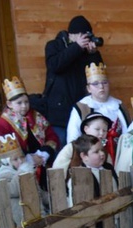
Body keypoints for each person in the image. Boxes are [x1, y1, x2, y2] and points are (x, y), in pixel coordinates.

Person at [42, 15, 103, 146]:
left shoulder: (87, 51)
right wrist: (76, 47)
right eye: (83, 35)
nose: (86, 39)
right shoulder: (54, 45)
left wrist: (93, 54)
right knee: (63, 149)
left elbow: (97, 74)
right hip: (59, 113)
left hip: (82, 110)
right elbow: (55, 66)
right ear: (72, 35)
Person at [0, 76, 59, 195]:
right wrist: (28, 159)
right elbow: (5, 153)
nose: (24, 106)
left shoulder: (36, 116)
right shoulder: (3, 123)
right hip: (18, 166)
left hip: (42, 161)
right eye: (19, 103)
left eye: (26, 102)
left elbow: (51, 136)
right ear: (9, 104)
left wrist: (44, 154)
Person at [0, 133, 36, 225]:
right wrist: (22, 172)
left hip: (34, 209)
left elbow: (36, 189)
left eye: (22, 157)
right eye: (15, 159)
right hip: (20, 215)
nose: (20, 161)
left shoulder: (27, 170)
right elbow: (13, 190)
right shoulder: (3, 173)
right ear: (8, 162)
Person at [52, 111, 110, 178]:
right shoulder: (73, 147)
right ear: (86, 129)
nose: (101, 133)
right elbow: (57, 170)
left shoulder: (104, 151)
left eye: (104, 130)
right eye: (97, 129)